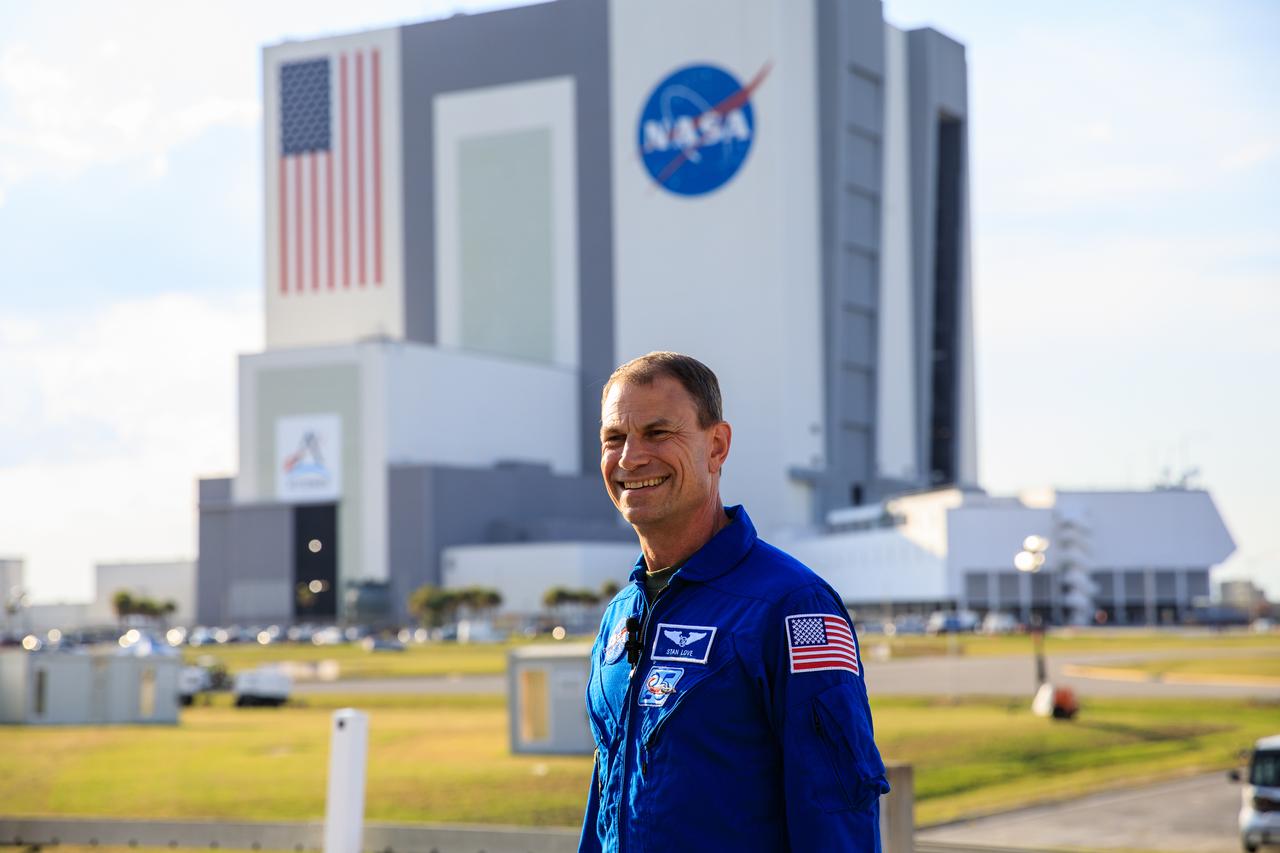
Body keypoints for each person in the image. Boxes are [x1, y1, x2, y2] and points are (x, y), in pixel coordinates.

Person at [579, 351, 889, 852]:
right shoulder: (622, 615)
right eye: (614, 438)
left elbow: (836, 812)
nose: (631, 458)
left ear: (717, 446)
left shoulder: (794, 606)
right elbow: (607, 804)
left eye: (658, 433)